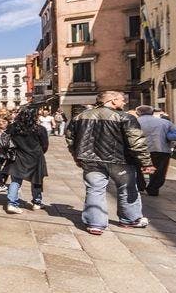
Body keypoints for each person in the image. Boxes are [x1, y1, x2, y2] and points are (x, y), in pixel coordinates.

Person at [66, 91, 154, 234]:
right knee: (127, 189)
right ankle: (130, 219)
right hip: (121, 160)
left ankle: (95, 223)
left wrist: (76, 156)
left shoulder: (79, 117)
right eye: (122, 99)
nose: (124, 102)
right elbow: (137, 142)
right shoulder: (125, 117)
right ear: (113, 101)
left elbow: (71, 139)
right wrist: (146, 162)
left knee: (95, 190)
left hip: (91, 160)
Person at [3, 106, 49, 214]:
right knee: (36, 180)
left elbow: (3, 140)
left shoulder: (13, 128)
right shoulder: (40, 129)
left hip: (19, 156)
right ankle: (37, 202)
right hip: (36, 157)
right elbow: (45, 146)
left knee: (15, 181)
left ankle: (12, 203)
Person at [134, 105, 172, 196]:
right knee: (159, 170)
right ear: (152, 112)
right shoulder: (165, 122)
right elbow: (174, 136)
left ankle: (140, 186)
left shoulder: (134, 122)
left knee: (137, 168)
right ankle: (153, 188)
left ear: (137, 113)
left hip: (139, 149)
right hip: (161, 149)